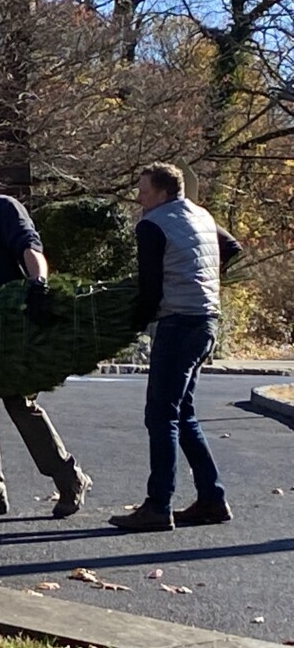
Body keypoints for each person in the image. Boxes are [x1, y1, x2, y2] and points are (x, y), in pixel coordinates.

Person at [0, 157, 92, 518]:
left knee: (18, 403)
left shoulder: (4, 210)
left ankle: (70, 478)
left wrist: (38, 284)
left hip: (9, 327)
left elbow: (31, 249)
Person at [109, 162, 242, 532]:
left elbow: (150, 289)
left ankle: (158, 505)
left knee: (161, 415)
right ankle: (211, 498)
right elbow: (232, 246)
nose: (139, 198)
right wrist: (201, 276)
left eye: (145, 191)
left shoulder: (153, 225)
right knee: (183, 414)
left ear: (164, 193)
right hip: (206, 320)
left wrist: (132, 325)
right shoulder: (200, 214)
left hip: (178, 323)